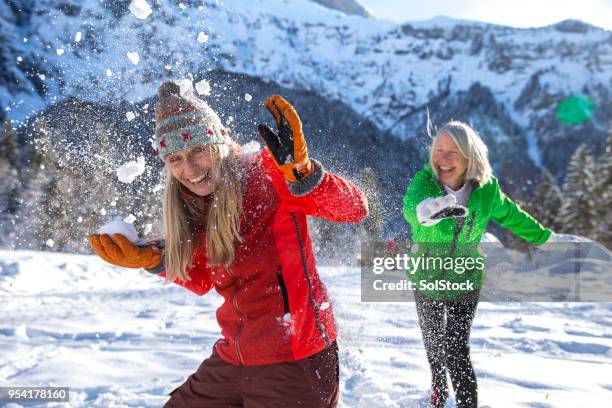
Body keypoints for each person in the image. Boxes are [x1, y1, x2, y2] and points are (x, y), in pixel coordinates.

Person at [89, 80, 368, 407]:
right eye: (175, 158)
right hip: (235, 357)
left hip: (294, 358)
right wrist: (152, 259)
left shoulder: (268, 173)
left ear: (217, 142)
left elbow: (354, 209)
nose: (189, 169)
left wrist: (304, 175)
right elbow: (204, 276)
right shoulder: (193, 201)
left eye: (197, 151)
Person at [402, 121, 554, 408]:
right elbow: (412, 208)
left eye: (453, 152)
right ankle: (437, 390)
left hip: (465, 279)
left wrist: (545, 238)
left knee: (456, 349)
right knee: (436, 348)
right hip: (425, 278)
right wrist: (427, 212)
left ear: (470, 157)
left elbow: (511, 215)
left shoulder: (486, 190)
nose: (443, 159)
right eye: (439, 150)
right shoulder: (423, 183)